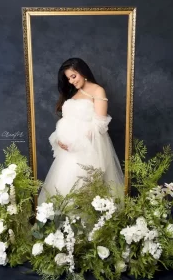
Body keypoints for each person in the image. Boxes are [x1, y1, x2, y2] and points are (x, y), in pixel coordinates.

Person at [38, 58, 124, 204]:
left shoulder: (97, 90)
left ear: (82, 72)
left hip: (87, 151)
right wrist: (60, 139)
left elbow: (99, 124)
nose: (71, 81)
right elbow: (67, 121)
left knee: (83, 193)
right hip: (67, 154)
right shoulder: (74, 93)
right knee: (62, 192)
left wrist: (76, 142)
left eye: (73, 76)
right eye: (68, 78)